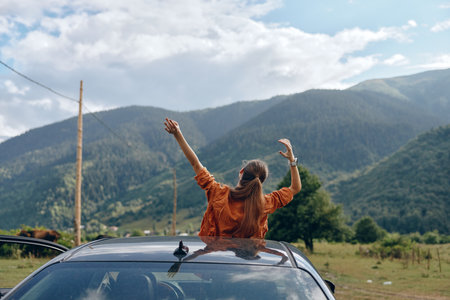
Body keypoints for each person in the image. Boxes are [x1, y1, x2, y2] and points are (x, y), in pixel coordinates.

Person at [164, 118, 301, 238]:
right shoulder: (265, 204)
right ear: (261, 181)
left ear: (241, 172)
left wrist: (177, 134)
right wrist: (292, 161)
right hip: (247, 265)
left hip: (212, 260)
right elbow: (295, 188)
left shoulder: (218, 194)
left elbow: (195, 163)